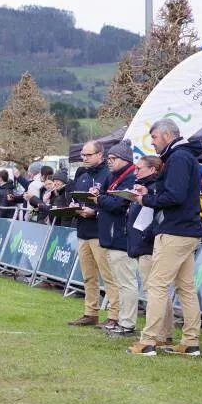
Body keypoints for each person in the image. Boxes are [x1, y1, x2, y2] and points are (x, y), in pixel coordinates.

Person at [129, 119, 202, 356]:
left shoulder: (179, 158)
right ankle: (190, 341)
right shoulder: (182, 156)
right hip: (186, 230)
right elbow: (174, 192)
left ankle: (149, 340)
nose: (152, 144)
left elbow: (175, 196)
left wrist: (146, 200)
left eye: (154, 138)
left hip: (175, 231)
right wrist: (150, 192)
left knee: (157, 285)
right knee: (185, 288)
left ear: (167, 135)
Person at [68, 140, 120, 329]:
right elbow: (76, 197)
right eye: (83, 155)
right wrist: (74, 207)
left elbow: (114, 204)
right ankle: (91, 312)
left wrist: (95, 212)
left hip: (101, 233)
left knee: (109, 276)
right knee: (88, 276)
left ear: (100, 155)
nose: (84, 158)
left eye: (88, 155)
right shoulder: (82, 175)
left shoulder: (109, 175)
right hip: (83, 231)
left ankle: (115, 315)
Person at [127, 156, 174, 344]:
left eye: (139, 168)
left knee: (155, 291)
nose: (136, 172)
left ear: (153, 169)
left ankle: (162, 333)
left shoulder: (157, 190)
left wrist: (146, 236)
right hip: (142, 243)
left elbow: (157, 216)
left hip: (150, 245)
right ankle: (163, 332)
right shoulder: (146, 188)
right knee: (156, 290)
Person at [95, 141, 138, 336]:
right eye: (109, 158)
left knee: (126, 282)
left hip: (120, 236)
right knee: (118, 282)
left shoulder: (130, 177)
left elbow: (118, 204)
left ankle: (127, 322)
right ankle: (122, 319)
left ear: (125, 159)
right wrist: (101, 198)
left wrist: (100, 199)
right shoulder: (113, 176)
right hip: (110, 235)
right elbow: (105, 196)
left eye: (113, 159)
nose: (109, 162)